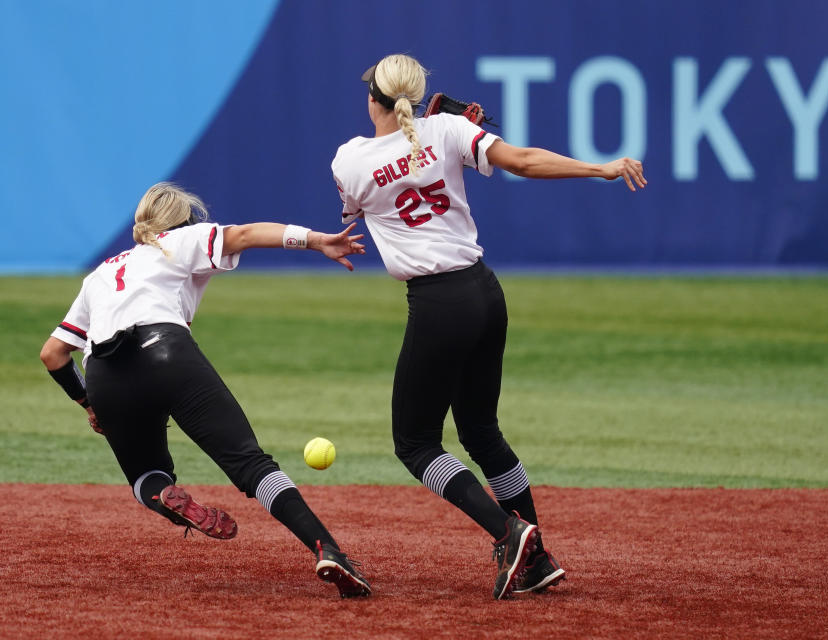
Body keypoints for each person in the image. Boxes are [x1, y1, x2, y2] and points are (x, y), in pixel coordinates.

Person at [331, 54, 646, 600]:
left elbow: (354, 208)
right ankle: (537, 560)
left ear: (372, 101)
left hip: (436, 305)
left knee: (416, 444)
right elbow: (522, 160)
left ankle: (510, 533)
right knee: (480, 431)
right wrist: (600, 168)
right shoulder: (451, 129)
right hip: (484, 292)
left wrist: (424, 139)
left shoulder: (350, 160)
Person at [39, 182, 372, 598]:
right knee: (252, 466)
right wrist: (317, 240)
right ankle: (328, 550)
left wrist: (89, 402)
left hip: (104, 373)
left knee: (147, 476)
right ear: (182, 220)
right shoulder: (181, 239)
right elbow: (247, 235)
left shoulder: (101, 274)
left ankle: (165, 494)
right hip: (163, 351)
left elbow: (53, 353)